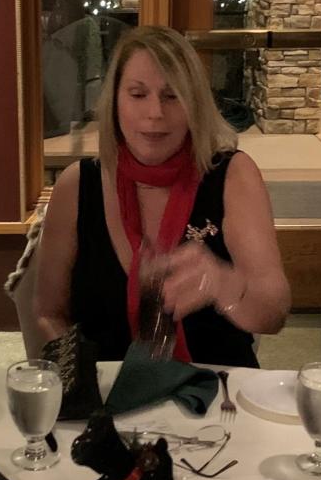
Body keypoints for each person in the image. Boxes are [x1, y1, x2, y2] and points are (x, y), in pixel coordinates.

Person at [34, 25, 290, 367]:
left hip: (216, 390)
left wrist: (221, 283)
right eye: (138, 94)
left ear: (194, 104)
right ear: (114, 103)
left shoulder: (233, 175)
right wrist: (78, 379)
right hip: (108, 393)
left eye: (172, 96)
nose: (155, 112)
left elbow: (273, 315)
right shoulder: (76, 185)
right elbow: (48, 313)